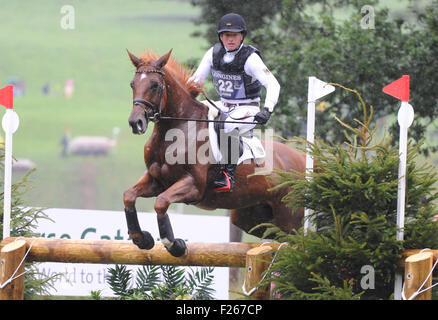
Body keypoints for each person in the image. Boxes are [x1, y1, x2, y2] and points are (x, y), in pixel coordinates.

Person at [190, 13, 280, 192]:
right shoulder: (213, 53)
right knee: (194, 113)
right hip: (223, 104)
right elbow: (195, 81)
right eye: (226, 35)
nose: (230, 39)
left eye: (234, 35)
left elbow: (273, 84)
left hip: (248, 108)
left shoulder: (250, 58)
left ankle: (227, 175)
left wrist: (268, 109)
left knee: (228, 125)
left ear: (242, 36)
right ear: (221, 36)